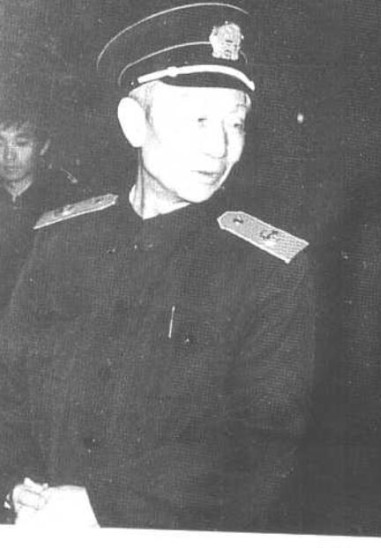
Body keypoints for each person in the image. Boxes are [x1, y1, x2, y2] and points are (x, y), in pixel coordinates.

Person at [0, 2, 315, 531]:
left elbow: (261, 444)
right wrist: (14, 485)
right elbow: (7, 393)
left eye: (235, 123)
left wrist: (102, 507)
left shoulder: (269, 272)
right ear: (133, 123)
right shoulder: (59, 243)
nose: (220, 146)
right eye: (198, 119)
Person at [0, 98, 84, 308]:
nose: (8, 156)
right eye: (0, 143)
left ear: (43, 146)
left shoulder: (66, 198)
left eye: (21, 143)